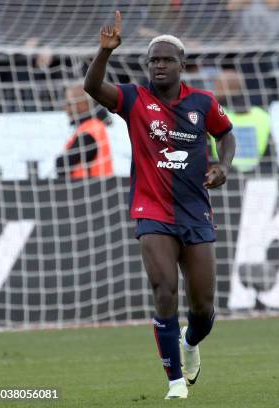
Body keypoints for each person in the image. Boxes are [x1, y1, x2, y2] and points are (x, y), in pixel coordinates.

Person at [83, 11, 236, 400]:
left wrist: (223, 165)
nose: (159, 65)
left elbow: (227, 133)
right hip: (151, 210)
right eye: (153, 60)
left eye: (167, 59)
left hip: (195, 212)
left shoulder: (202, 102)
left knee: (202, 309)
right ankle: (174, 383)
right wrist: (104, 52)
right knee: (163, 288)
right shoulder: (135, 99)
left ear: (182, 65)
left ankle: (190, 342)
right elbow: (92, 86)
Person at [211, 69, 270, 172]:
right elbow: (270, 155)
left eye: (216, 86)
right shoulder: (261, 115)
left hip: (220, 178)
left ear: (222, 88)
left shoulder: (213, 114)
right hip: (256, 175)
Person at [55, 83, 113, 179]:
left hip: (89, 190)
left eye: (69, 104)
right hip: (95, 188)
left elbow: (63, 165)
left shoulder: (90, 130)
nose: (66, 108)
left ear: (83, 104)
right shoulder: (92, 126)